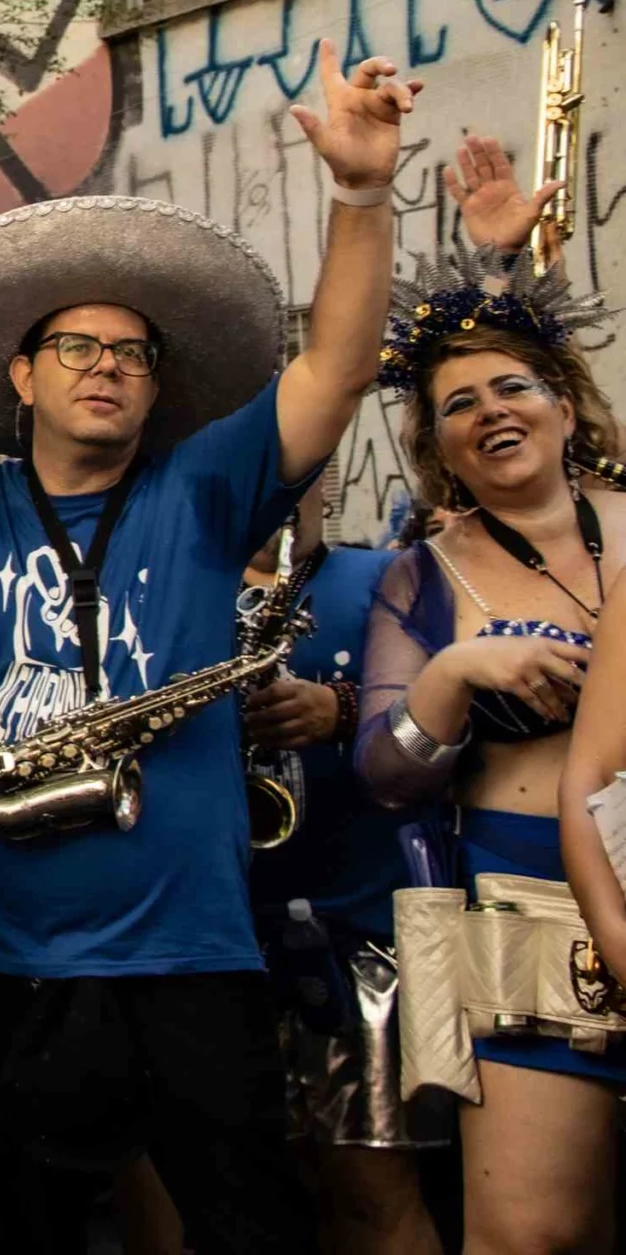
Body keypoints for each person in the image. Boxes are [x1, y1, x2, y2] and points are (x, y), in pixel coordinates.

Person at [0, 40, 409, 1254]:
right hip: (9, 962)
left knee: (247, 1228)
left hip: (194, 956)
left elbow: (333, 370)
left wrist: (363, 193)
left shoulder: (206, 485)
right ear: (21, 372)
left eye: (131, 354)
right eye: (78, 348)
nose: (108, 368)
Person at [358, 241, 621, 1253]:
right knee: (526, 1231)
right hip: (527, 911)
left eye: (511, 386)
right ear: (436, 444)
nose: (490, 411)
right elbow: (383, 775)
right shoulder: (422, 578)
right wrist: (453, 676)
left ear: (562, 403)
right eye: (458, 404)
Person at [241, 482, 450, 1255]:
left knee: (374, 1195)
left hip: (362, 939)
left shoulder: (386, 575)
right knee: (280, 1199)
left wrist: (343, 704)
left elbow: (459, 723)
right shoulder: (180, 585)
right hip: (231, 945)